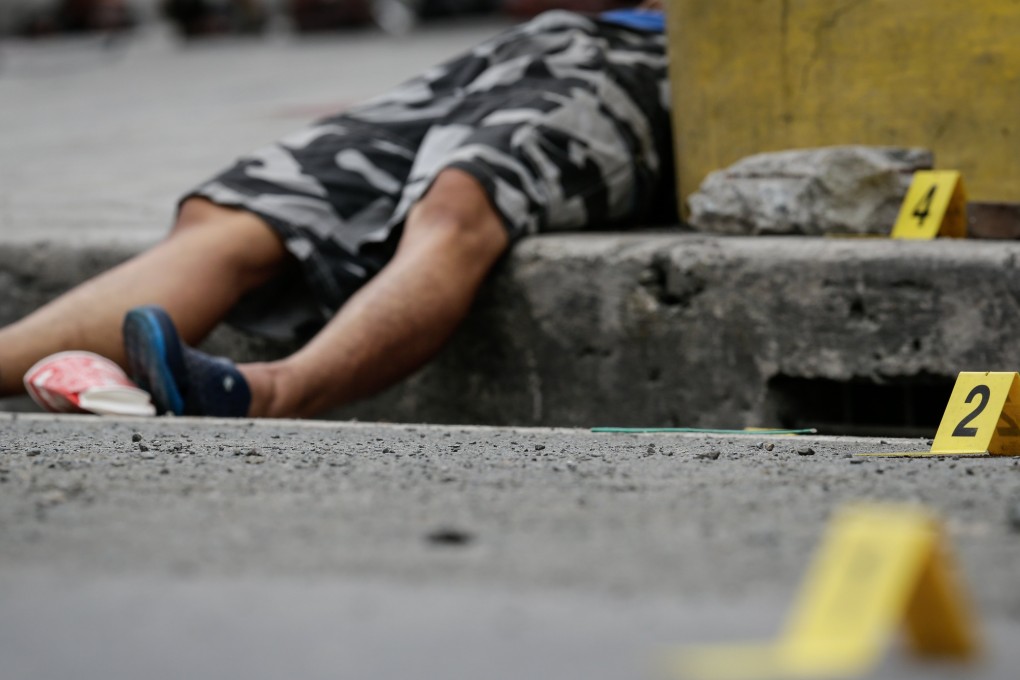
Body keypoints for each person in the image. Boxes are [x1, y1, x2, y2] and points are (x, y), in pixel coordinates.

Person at [0, 4, 672, 418]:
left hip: (671, 64)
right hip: (560, 37)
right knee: (237, 210)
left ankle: (267, 394)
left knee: (463, 197)